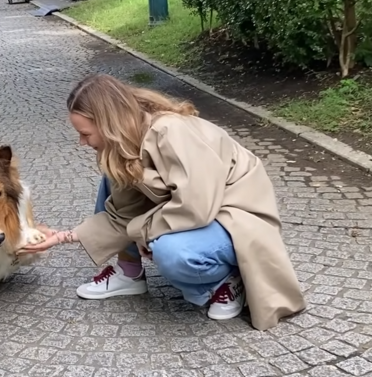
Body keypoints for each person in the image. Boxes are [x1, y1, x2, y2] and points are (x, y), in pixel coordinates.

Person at [19, 74, 306, 331]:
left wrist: (145, 230)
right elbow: (122, 214)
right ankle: (129, 271)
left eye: (85, 133)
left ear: (107, 123)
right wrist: (60, 237)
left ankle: (228, 280)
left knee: (172, 252)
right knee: (113, 179)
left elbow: (196, 206)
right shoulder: (122, 145)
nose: (81, 142)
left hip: (235, 215)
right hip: (199, 211)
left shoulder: (171, 131)